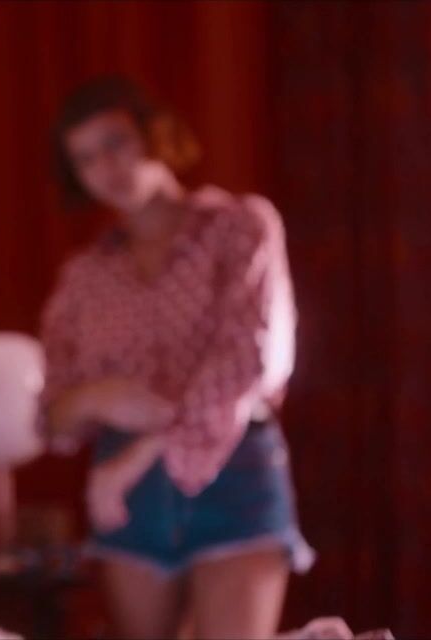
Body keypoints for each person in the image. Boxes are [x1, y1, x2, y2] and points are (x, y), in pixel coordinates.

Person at [39, 75, 314, 639]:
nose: (107, 168)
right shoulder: (83, 278)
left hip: (231, 469)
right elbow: (52, 418)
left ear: (154, 133)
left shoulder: (240, 226)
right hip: (128, 496)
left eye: (115, 142)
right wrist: (96, 397)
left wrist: (145, 453)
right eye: (86, 159)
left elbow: (248, 359)